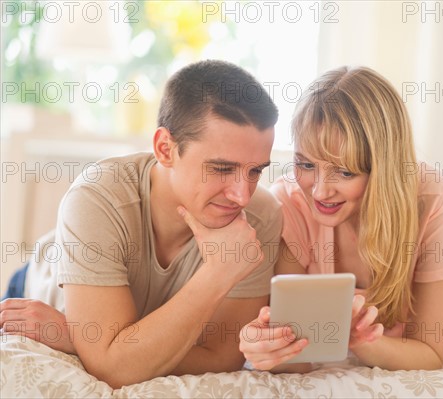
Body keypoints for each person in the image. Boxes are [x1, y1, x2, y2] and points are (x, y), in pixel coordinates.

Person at [0, 60, 282, 387]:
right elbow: (115, 370)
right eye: (221, 169)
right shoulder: (96, 197)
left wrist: (84, 341)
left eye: (255, 171)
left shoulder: (259, 216)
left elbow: (222, 357)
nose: (242, 195)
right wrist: (218, 272)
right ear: (165, 148)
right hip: (38, 295)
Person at [239, 66, 443, 371]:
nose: (320, 191)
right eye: (306, 164)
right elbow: (295, 358)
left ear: (384, 169)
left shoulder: (441, 202)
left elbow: (430, 353)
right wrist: (267, 350)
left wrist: (359, 340)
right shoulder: (289, 202)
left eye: (344, 171)